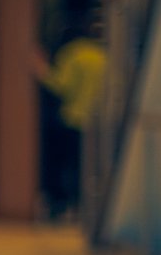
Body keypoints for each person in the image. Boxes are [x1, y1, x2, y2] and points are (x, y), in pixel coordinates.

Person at [35, 18, 107, 220]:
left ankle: (60, 206)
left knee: (63, 165)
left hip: (72, 119)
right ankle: (84, 207)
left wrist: (40, 68)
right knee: (87, 166)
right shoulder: (102, 55)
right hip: (97, 122)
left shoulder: (72, 53)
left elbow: (60, 85)